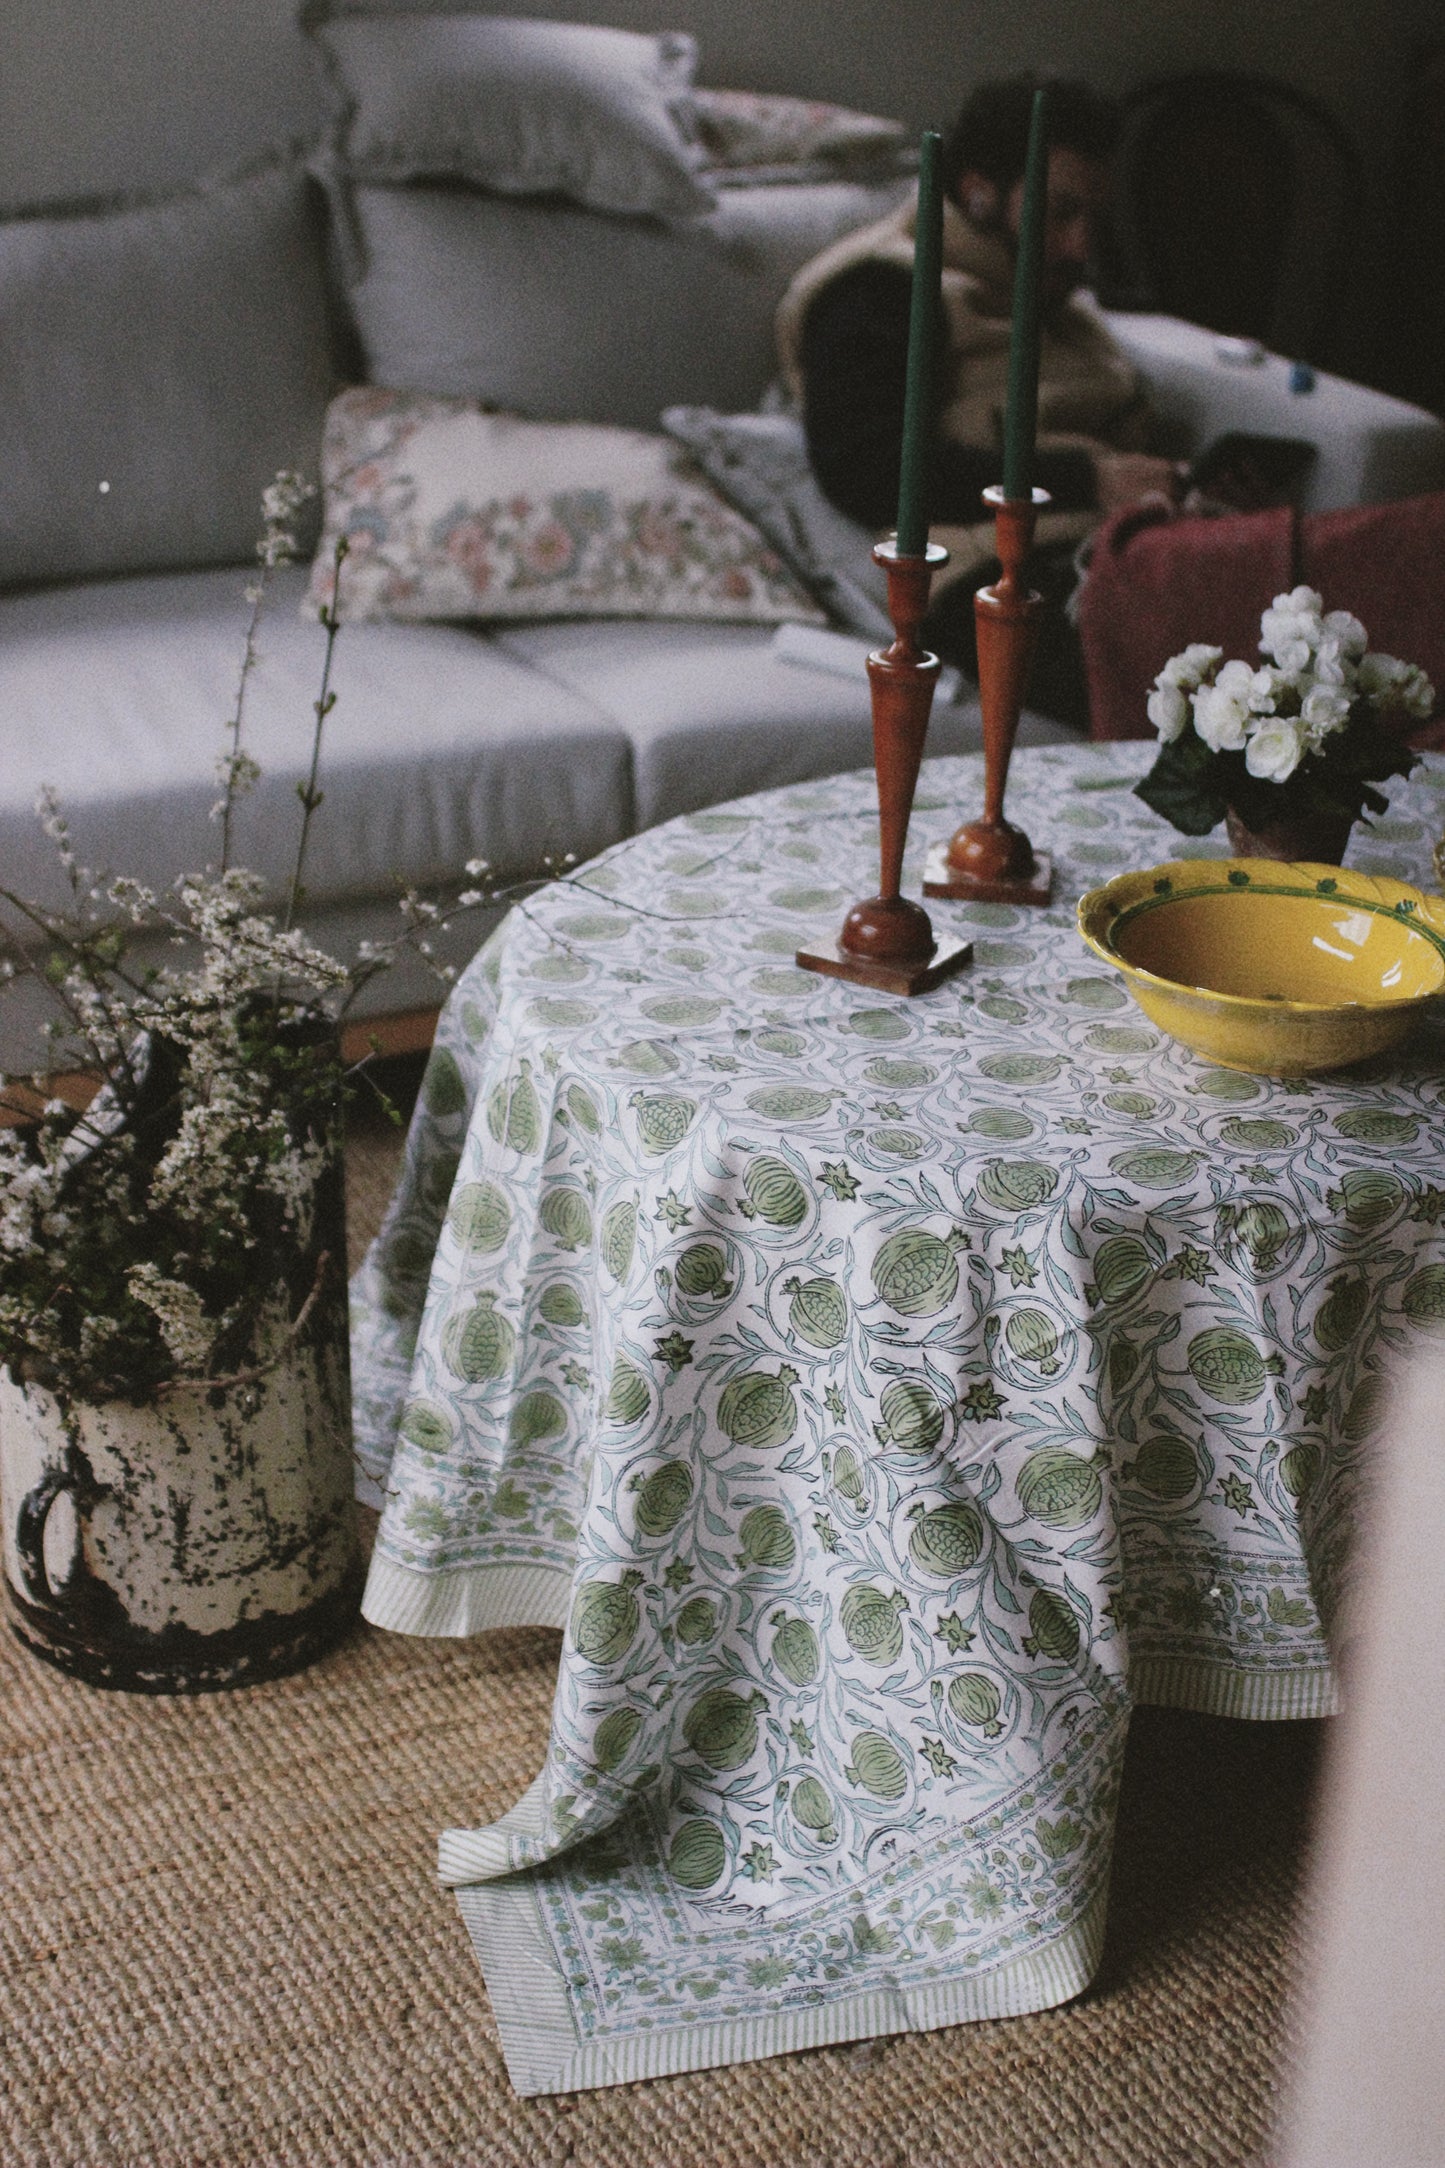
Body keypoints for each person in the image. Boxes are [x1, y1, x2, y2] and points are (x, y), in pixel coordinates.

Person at [776, 76, 1183, 725]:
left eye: (1091, 219)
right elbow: (868, 467)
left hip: (1125, 545)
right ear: (977, 194)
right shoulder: (884, 289)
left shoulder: (1054, 307)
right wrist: (1087, 479)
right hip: (995, 578)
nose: (1082, 245)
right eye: (1061, 213)